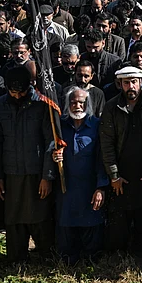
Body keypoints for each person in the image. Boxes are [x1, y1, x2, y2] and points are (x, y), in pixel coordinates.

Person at [0, 66, 56, 264]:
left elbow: (50, 142)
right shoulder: (0, 105)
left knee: (40, 215)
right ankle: (17, 258)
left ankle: (45, 255)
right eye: (13, 92)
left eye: (21, 92)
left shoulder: (42, 104)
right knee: (13, 217)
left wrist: (47, 176)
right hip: (11, 172)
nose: (17, 96)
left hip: (36, 171)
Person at [99, 66, 142, 259]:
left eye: (134, 82)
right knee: (120, 215)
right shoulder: (111, 107)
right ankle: (118, 251)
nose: (131, 86)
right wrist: (114, 175)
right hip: (122, 171)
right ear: (120, 84)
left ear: (141, 82)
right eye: (126, 83)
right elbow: (106, 144)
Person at [51, 87, 108, 265]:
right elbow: (51, 146)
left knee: (91, 221)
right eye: (73, 102)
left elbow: (103, 158)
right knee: (66, 222)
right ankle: (69, 258)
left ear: (88, 104)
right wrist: (54, 155)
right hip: (66, 186)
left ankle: (91, 258)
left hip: (90, 186)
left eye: (81, 103)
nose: (77, 106)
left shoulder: (96, 125)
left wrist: (101, 187)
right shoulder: (59, 125)